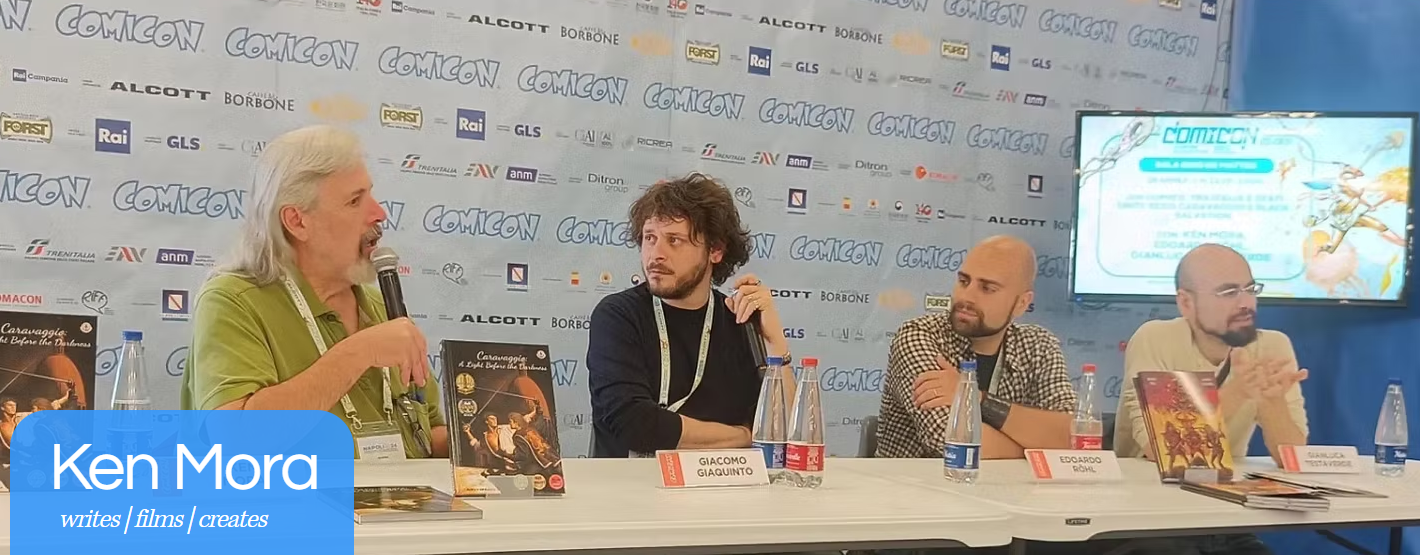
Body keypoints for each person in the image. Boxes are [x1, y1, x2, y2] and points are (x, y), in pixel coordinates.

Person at [180, 124, 448, 459]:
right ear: (297, 221)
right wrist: (359, 352)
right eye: (355, 201)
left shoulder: (381, 309)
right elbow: (235, 442)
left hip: (400, 509)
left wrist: (482, 441)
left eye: (371, 194)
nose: (379, 213)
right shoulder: (233, 300)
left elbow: (431, 432)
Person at [1114, 243, 1308, 555]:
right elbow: (1162, 450)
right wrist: (1235, 393)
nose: (1246, 303)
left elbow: (1293, 457)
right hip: (1150, 517)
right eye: (1228, 292)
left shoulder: (1272, 345)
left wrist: (1272, 402)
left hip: (1227, 519)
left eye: (1249, 289)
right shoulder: (1155, 338)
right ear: (1186, 303)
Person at [587, 172, 791, 457]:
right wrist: (745, 436)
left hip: (724, 492)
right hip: (634, 489)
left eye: (674, 240)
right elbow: (635, 423)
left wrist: (774, 341)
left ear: (715, 250)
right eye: (649, 237)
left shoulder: (739, 320)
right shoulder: (618, 316)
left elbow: (784, 432)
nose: (656, 254)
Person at [876, 235, 1077, 459]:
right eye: (964, 281)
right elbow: (951, 442)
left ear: (1022, 303)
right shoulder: (919, 336)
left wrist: (976, 397)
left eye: (987, 288)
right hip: (916, 490)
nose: (967, 296)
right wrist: (1038, 450)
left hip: (1011, 491)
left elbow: (1073, 438)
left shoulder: (1040, 346)